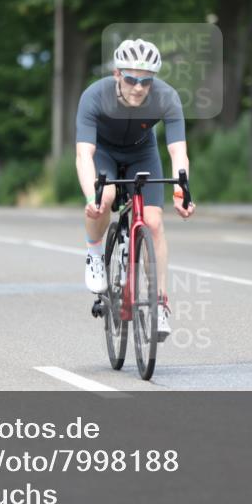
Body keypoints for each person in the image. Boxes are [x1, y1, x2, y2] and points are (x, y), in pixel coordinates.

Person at [75, 38, 196, 340]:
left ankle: (160, 305)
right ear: (117, 74)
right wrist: (92, 196)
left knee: (154, 223)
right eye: (131, 79)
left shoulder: (167, 97)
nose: (139, 87)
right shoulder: (94, 96)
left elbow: (178, 152)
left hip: (143, 153)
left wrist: (182, 192)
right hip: (104, 152)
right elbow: (84, 154)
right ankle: (93, 252)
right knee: (106, 197)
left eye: (146, 81)